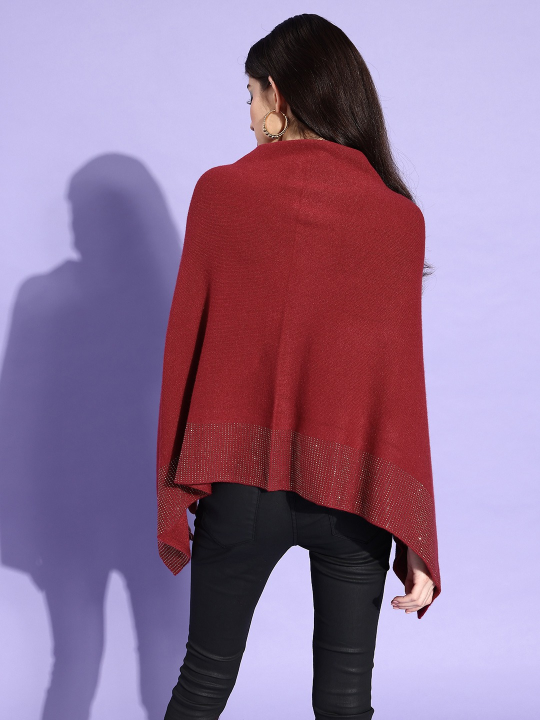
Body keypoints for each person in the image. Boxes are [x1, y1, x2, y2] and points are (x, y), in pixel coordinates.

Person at [157, 13, 441, 720]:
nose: (249, 115)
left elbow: (186, 348)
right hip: (356, 497)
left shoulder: (220, 194)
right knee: (345, 700)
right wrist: (417, 534)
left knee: (202, 681)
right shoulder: (399, 219)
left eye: (251, 95)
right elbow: (400, 392)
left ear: (278, 95)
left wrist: (176, 479)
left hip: (240, 486)